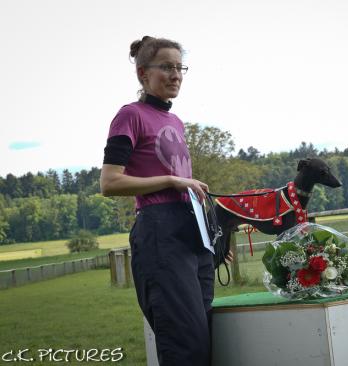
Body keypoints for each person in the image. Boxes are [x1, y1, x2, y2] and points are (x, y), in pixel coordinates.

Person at [100, 36, 214, 365]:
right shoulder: (130, 115)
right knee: (185, 345)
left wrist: (210, 237)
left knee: (205, 334)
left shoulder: (175, 122)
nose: (176, 74)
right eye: (166, 67)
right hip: (159, 233)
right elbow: (110, 182)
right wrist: (171, 181)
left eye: (180, 67)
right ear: (142, 74)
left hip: (191, 232)